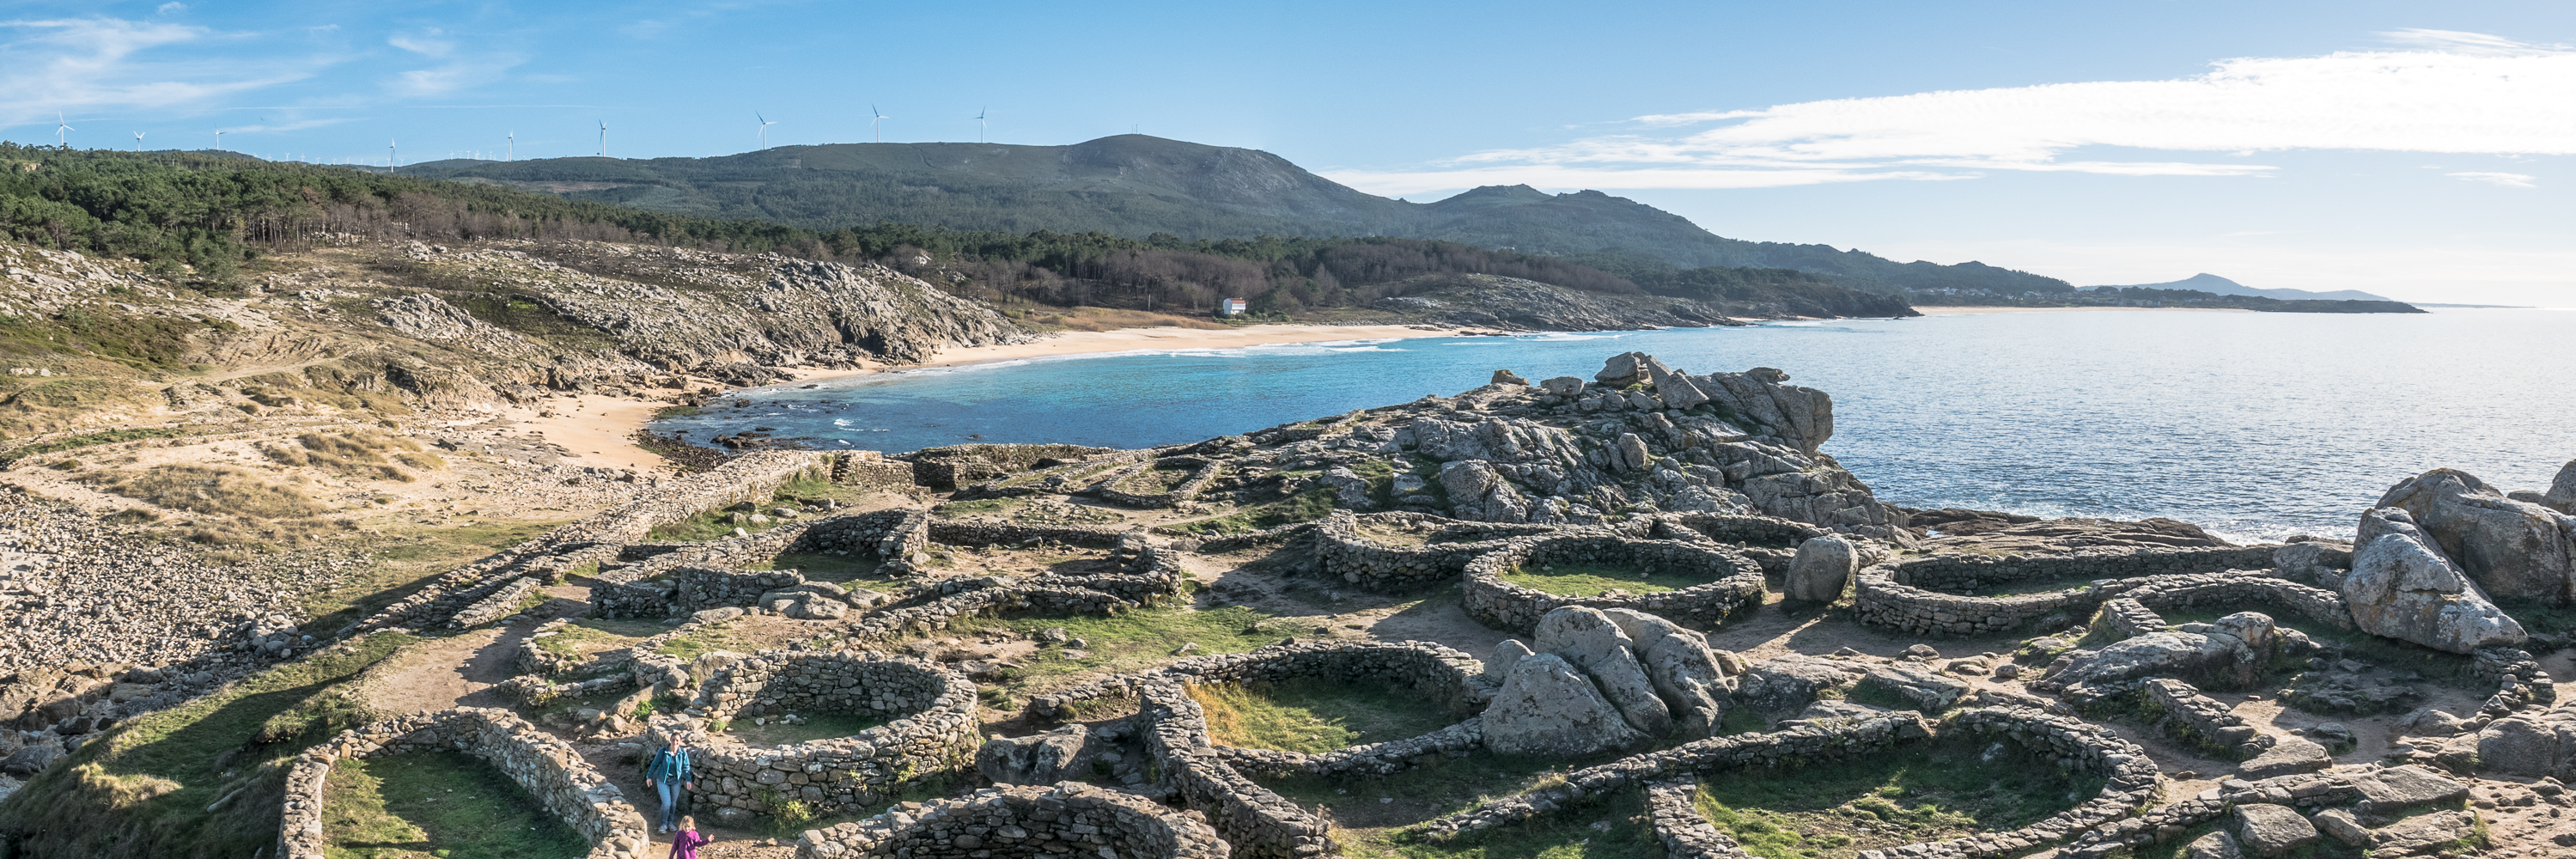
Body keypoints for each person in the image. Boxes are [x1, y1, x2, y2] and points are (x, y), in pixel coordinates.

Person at [643, 734, 695, 835]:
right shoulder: (663, 751)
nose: (675, 743)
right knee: (666, 803)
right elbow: (655, 764)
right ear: (670, 740)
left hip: (676, 781)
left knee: (673, 803)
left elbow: (686, 767)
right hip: (663, 780)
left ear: (680, 741)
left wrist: (688, 780)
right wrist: (649, 776)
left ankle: (670, 823)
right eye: (673, 740)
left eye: (677, 740)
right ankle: (663, 824)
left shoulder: (682, 753)